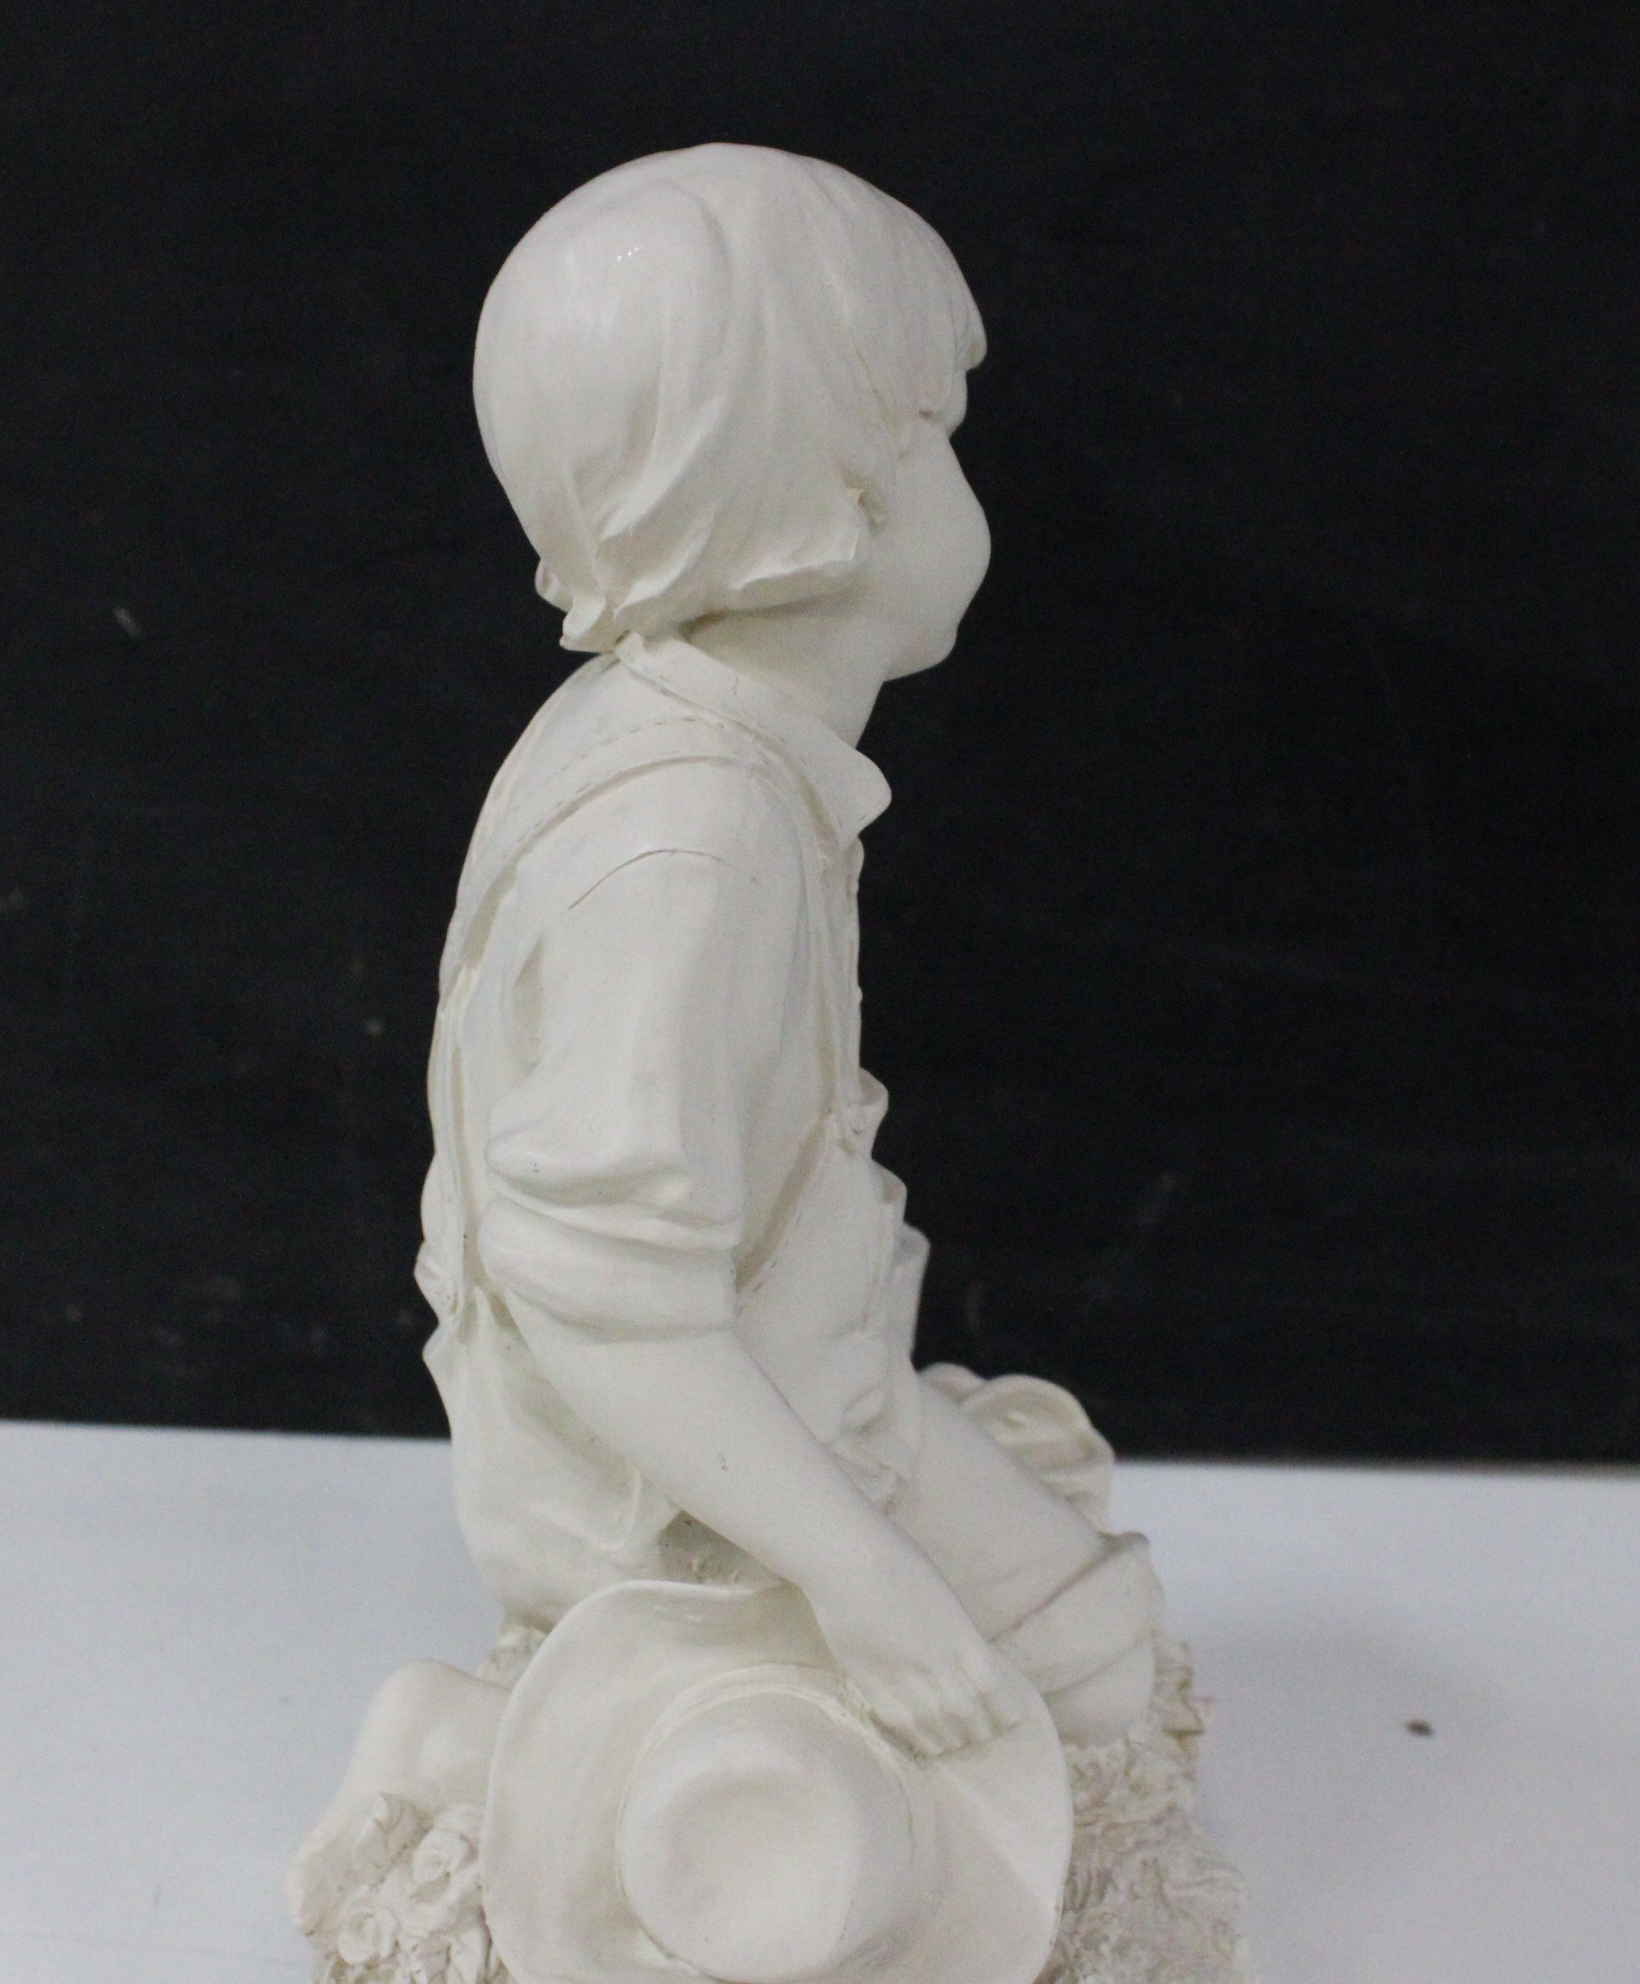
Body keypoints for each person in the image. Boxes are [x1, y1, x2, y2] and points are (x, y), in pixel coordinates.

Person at [418, 143, 1160, 1761]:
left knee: (1060, 1554)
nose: (964, 482)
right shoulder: (692, 844)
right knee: (1100, 1669)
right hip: (651, 1491)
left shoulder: (692, 746)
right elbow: (606, 1297)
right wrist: (865, 1581)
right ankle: (477, 1748)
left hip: (783, 1365)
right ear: (838, 501)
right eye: (938, 437)